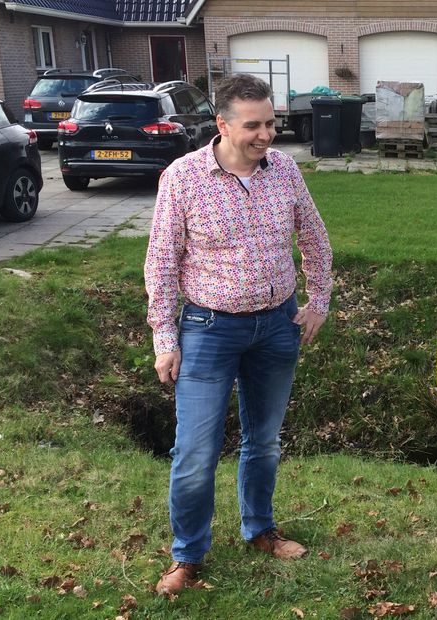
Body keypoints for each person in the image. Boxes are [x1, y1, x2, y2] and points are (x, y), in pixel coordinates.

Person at [143, 73, 333, 595]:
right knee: (196, 452)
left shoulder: (286, 171)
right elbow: (161, 263)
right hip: (208, 330)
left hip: (277, 326)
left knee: (264, 441)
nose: (267, 134)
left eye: (271, 123)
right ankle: (187, 555)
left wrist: (318, 301)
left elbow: (314, 236)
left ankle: (259, 528)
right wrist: (165, 339)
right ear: (223, 124)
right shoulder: (183, 178)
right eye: (254, 125)